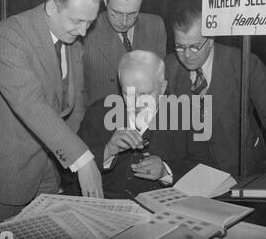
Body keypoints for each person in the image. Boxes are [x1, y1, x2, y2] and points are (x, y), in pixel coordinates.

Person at [0, 0, 104, 228]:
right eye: (78, 21)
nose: (83, 31)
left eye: (90, 23)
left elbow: (74, 106)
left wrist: (71, 158)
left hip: (46, 168)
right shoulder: (7, 36)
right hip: (1, 169)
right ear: (51, 7)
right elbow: (30, 103)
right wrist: (82, 159)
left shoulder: (73, 43)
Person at [165, 2, 266, 178]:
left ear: (211, 40)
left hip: (241, 171)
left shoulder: (245, 64)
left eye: (195, 46)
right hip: (191, 174)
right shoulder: (168, 66)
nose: (187, 55)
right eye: (180, 46)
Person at [77, 50, 214, 198]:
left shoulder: (185, 116)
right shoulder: (98, 113)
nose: (136, 103)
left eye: (144, 94)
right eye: (127, 93)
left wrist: (166, 171)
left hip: (162, 213)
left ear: (162, 88)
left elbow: (209, 174)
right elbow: (68, 176)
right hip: (106, 210)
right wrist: (107, 151)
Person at [82, 0, 167, 106]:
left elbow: (160, 84)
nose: (124, 22)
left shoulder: (156, 26)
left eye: (133, 13)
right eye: (116, 13)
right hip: (103, 121)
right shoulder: (86, 33)